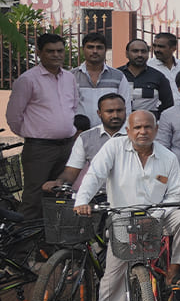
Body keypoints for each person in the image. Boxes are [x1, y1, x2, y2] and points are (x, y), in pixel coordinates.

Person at [73, 110, 180, 301]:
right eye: (137, 127)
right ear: (128, 131)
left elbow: (175, 195)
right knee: (111, 281)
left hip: (158, 219)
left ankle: (174, 271)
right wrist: (82, 200)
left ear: (156, 129)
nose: (142, 132)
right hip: (123, 222)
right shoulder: (114, 148)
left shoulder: (167, 157)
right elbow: (95, 175)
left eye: (147, 127)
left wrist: (156, 215)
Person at [6, 32, 78, 220]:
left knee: (61, 195)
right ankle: (26, 239)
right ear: (39, 53)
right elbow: (13, 116)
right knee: (34, 197)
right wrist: (34, 135)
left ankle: (52, 237)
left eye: (60, 51)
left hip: (67, 146)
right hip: (39, 149)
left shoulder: (69, 78)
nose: (56, 55)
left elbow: (74, 107)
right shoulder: (28, 80)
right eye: (50, 51)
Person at [42, 93, 127, 193]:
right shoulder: (85, 138)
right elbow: (71, 171)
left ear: (125, 110)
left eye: (119, 111)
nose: (115, 115)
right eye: (110, 111)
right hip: (96, 197)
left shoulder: (138, 135)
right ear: (99, 113)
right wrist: (59, 182)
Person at [72, 32, 131, 126]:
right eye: (90, 47)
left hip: (110, 132)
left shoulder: (118, 77)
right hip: (79, 131)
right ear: (83, 49)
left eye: (99, 47)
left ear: (105, 50)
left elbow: (126, 109)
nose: (95, 51)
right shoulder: (72, 77)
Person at [120, 38, 173, 118]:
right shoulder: (117, 75)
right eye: (135, 51)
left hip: (149, 123)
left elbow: (168, 105)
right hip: (121, 122)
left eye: (143, 51)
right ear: (127, 54)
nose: (140, 55)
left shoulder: (158, 77)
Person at [148, 32, 180, 104]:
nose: (156, 50)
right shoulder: (148, 66)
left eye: (161, 47)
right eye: (154, 46)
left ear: (173, 48)